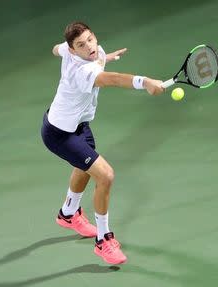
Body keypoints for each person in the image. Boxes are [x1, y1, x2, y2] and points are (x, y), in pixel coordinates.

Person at [41, 21, 164, 265]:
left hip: (79, 126)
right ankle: (103, 240)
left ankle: (68, 213)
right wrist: (145, 82)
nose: (89, 46)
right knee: (105, 175)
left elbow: (56, 49)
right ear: (73, 50)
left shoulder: (72, 51)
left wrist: (104, 58)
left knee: (85, 166)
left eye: (90, 39)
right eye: (81, 45)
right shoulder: (82, 71)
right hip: (59, 134)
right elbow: (113, 80)